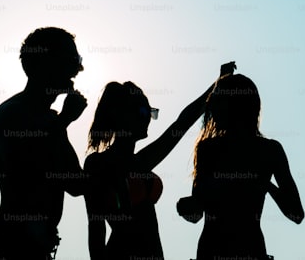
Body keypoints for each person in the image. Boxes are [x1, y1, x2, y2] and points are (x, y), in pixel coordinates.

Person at [83, 71, 216, 260]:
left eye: (150, 112)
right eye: (143, 112)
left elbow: (182, 123)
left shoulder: (139, 161)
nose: (147, 118)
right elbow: (95, 228)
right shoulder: (99, 163)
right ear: (122, 115)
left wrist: (216, 86)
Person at [0, 26, 88, 260]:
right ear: (44, 64)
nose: (77, 69)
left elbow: (76, 183)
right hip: (12, 245)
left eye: (77, 59)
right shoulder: (15, 114)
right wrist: (63, 122)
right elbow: (32, 168)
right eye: (70, 60)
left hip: (36, 247)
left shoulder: (49, 119)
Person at [177, 72, 304, 260]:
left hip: (228, 250)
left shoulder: (211, 148)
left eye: (219, 102)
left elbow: (296, 214)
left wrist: (265, 185)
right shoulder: (209, 149)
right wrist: (184, 206)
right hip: (237, 249)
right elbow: (196, 212)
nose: (213, 109)